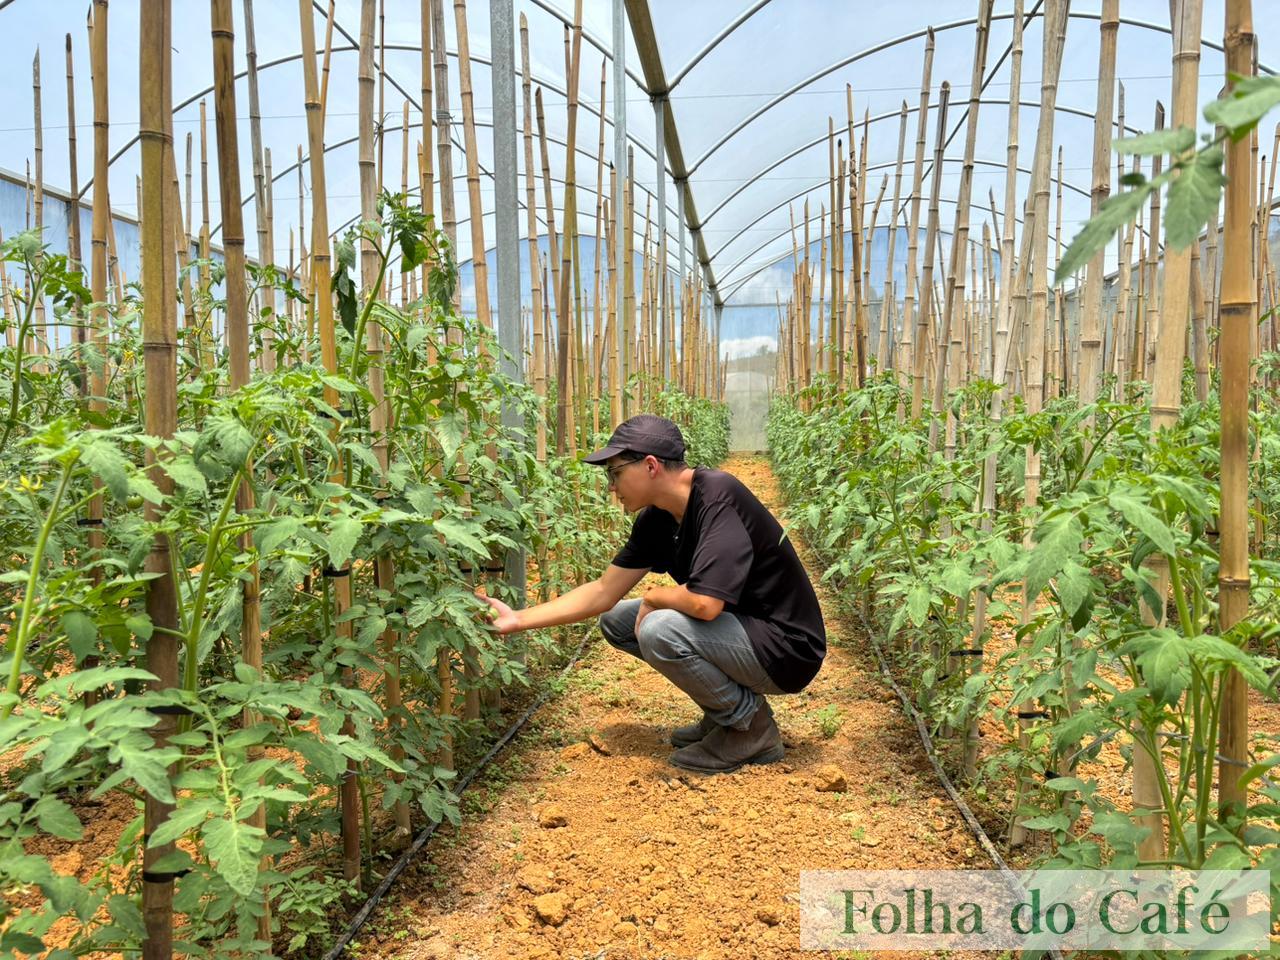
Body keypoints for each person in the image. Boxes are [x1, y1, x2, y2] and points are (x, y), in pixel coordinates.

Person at [480, 414, 826, 774]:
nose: (611, 487)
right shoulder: (658, 518)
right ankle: (725, 712)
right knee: (617, 621)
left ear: (650, 466)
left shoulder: (718, 497)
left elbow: (705, 604)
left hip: (787, 649)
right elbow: (603, 592)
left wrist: (654, 596)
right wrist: (517, 619)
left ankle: (751, 729)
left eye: (615, 473)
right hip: (742, 631)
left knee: (659, 628)